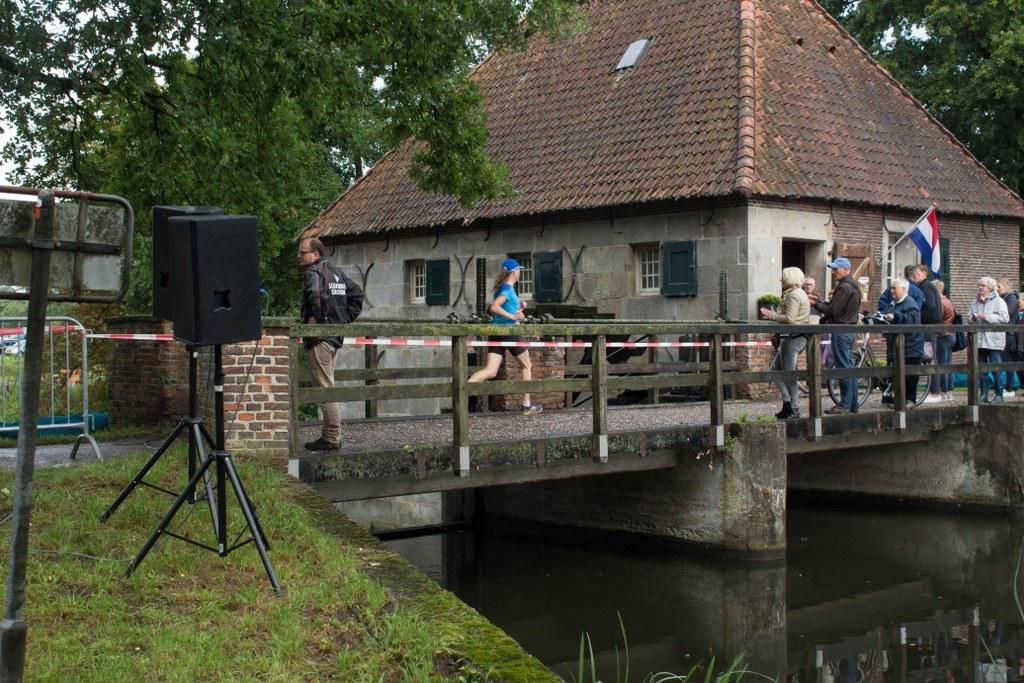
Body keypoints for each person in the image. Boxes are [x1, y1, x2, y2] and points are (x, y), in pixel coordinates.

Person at [299, 237, 365, 451]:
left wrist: (319, 321)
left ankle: (332, 437)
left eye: (303, 252)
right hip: (334, 338)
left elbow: (316, 296)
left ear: (315, 254)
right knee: (328, 385)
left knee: (325, 388)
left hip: (320, 338)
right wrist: (343, 320)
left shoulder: (313, 272)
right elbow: (357, 294)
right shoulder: (336, 273)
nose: (299, 256)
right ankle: (331, 435)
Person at [468, 258, 543, 415]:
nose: (520, 272)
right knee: (526, 366)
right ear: (514, 271)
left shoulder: (503, 289)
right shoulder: (507, 289)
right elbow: (493, 307)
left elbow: (501, 305)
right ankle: (526, 405)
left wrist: (519, 306)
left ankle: (464, 391)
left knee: (490, 371)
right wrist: (513, 317)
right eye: (519, 270)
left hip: (496, 333)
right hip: (509, 332)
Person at [810, 257, 861, 414]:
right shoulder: (854, 285)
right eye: (833, 269)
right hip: (849, 329)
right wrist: (821, 302)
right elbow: (837, 308)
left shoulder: (844, 287)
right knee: (849, 367)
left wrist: (816, 305)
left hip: (842, 330)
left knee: (843, 367)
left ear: (846, 270)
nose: (834, 272)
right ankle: (852, 405)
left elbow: (833, 311)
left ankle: (845, 405)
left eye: (836, 269)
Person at [760, 267, 810, 420]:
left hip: (794, 337)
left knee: (788, 374)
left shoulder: (794, 295)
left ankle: (792, 408)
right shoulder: (797, 293)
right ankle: (788, 404)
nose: (781, 280)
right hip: (793, 337)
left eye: (783, 277)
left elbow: (790, 319)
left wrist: (771, 315)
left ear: (790, 279)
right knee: (778, 370)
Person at [879, 277, 924, 408]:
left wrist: (896, 316)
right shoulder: (893, 304)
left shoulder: (910, 304)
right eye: (891, 288)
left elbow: (912, 320)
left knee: (909, 376)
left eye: (894, 288)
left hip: (911, 346)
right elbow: (884, 315)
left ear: (904, 290)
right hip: (897, 346)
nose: (891, 291)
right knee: (897, 375)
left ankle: (910, 400)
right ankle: (900, 401)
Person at [968, 276, 1009, 403]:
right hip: (979, 340)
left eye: (983, 286)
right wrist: (973, 318)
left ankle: (999, 394)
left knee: (996, 368)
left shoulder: (999, 301)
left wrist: (986, 316)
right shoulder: (974, 302)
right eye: (979, 285)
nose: (980, 288)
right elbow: (969, 318)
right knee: (981, 369)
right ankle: (983, 393)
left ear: (990, 288)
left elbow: (1004, 318)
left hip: (994, 340)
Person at [909, 264, 943, 402]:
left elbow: (930, 306)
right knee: (930, 358)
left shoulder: (926, 287)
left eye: (917, 273)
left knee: (930, 358)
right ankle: (934, 390)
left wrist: (917, 315)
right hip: (928, 326)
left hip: (928, 327)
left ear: (924, 273)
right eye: (914, 273)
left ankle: (935, 392)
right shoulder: (925, 287)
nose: (914, 275)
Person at [933, 279, 956, 401]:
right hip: (951, 334)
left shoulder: (940, 302)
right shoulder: (948, 300)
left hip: (942, 335)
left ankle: (944, 390)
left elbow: (938, 317)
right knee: (948, 364)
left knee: (941, 365)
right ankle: (949, 390)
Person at [997, 277, 1019, 394]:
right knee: (1003, 360)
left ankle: (1010, 387)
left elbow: (1008, 313)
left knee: (1007, 361)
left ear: (1006, 286)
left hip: (1008, 334)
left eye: (999, 286)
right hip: (1003, 333)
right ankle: (1006, 385)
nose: (997, 289)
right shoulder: (1003, 298)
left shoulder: (1011, 298)